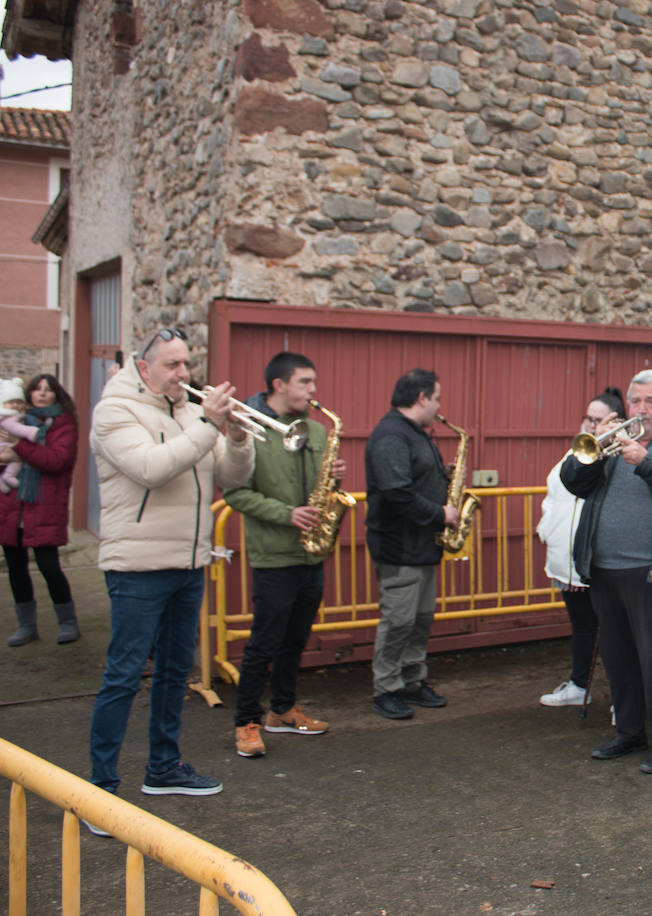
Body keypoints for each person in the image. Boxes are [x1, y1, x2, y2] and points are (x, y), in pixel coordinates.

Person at [86, 328, 254, 822]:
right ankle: (101, 790)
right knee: (122, 675)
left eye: (185, 364)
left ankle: (163, 768)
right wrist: (207, 422)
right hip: (137, 567)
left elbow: (232, 477)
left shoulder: (186, 410)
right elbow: (152, 468)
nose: (183, 374)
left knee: (176, 671)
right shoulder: (114, 412)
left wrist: (238, 436)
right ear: (144, 368)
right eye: (172, 365)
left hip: (189, 561)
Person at [560, 369, 652, 775]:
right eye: (636, 402)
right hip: (605, 569)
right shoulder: (609, 444)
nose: (642, 410)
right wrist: (595, 445)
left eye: (651, 402)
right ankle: (627, 732)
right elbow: (573, 482)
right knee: (618, 658)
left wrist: (647, 461)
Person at [223, 352, 343, 758]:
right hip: (274, 553)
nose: (313, 391)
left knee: (295, 639)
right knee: (264, 642)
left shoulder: (316, 430)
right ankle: (246, 722)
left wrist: (332, 478)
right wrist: (286, 514)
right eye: (305, 382)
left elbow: (319, 485)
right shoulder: (251, 429)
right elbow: (236, 493)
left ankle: (283, 709)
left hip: (312, 553)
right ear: (278, 384)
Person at [365, 368, 462, 720]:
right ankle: (386, 688)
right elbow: (396, 494)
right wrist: (441, 513)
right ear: (421, 398)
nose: (439, 407)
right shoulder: (392, 435)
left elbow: (412, 481)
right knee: (399, 621)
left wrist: (442, 476)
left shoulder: (414, 433)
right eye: (437, 398)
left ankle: (412, 680)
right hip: (399, 547)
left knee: (420, 619)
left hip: (421, 546)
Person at [536, 387, 624, 708]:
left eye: (598, 419)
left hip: (593, 560)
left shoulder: (614, 457)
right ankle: (578, 685)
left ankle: (622, 698)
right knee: (583, 626)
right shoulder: (577, 451)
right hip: (565, 559)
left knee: (614, 632)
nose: (590, 424)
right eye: (588, 417)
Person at [1, 374, 80, 646]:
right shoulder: (18, 420)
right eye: (37, 390)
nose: (42, 394)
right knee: (15, 566)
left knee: (49, 565)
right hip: (13, 504)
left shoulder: (63, 424)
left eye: (48, 390)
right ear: (29, 394)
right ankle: (26, 626)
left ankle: (68, 622)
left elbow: (57, 460)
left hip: (44, 504)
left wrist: (19, 447)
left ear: (57, 395)